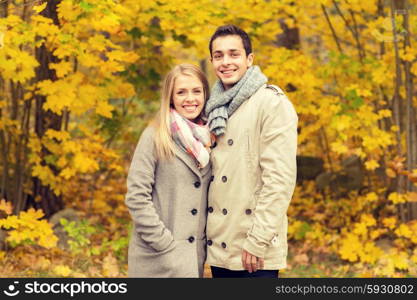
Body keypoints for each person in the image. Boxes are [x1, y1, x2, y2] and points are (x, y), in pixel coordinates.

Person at [205, 25, 298, 278]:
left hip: (254, 248)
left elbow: (280, 179)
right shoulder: (213, 108)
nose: (226, 62)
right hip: (220, 243)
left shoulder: (271, 103)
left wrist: (257, 240)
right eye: (218, 55)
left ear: (249, 59)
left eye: (234, 54)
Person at [125, 63, 212, 278]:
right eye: (181, 92)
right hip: (157, 258)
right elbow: (136, 197)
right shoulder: (155, 136)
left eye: (196, 91)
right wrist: (164, 243)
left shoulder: (210, 137)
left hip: (193, 258)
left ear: (205, 94)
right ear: (170, 97)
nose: (190, 98)